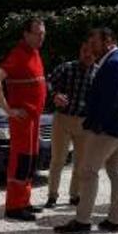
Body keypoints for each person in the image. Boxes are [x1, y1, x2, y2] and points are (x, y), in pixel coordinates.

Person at [55, 28, 118, 234]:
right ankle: (114, 219)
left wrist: (95, 126)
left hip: (109, 129)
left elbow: (109, 101)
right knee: (117, 170)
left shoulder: (114, 63)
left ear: (108, 41)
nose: (91, 46)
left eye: (94, 42)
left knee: (88, 171)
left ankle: (83, 220)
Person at [0, 17, 48, 222]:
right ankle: (13, 207)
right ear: (26, 34)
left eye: (43, 33)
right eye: (37, 33)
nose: (42, 37)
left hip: (34, 119)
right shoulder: (18, 54)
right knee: (21, 161)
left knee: (30, 160)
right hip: (22, 120)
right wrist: (8, 110)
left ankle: (24, 201)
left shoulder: (34, 53)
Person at [44, 42, 95, 208]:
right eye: (84, 50)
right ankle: (52, 196)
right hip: (63, 119)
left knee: (80, 162)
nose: (87, 55)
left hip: (84, 122)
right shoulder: (66, 68)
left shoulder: (99, 72)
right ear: (80, 51)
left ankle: (75, 195)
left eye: (91, 52)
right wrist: (54, 95)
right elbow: (47, 83)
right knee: (57, 160)